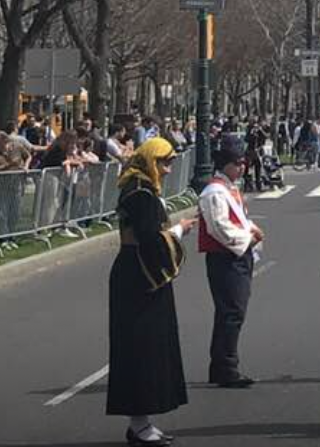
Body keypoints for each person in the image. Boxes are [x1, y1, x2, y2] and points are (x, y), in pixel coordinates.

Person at [107, 139, 196, 445]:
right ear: (150, 162)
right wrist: (180, 230)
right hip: (139, 275)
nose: (169, 170)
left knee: (147, 346)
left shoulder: (139, 188)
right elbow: (150, 239)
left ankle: (142, 421)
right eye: (164, 163)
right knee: (140, 348)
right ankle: (138, 423)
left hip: (139, 273)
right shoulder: (141, 194)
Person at [198, 133, 263, 388]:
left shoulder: (229, 189)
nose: (242, 166)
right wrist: (247, 237)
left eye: (243, 161)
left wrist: (251, 230)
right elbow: (219, 228)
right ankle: (226, 366)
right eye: (238, 162)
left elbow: (236, 220)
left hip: (235, 256)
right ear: (225, 163)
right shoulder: (215, 191)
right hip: (226, 258)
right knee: (232, 312)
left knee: (232, 311)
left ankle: (222, 364)